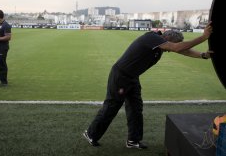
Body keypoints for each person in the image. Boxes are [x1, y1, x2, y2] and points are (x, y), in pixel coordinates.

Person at [83, 22, 213, 149]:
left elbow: (183, 51)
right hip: (120, 76)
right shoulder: (151, 38)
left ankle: (133, 141)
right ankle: (91, 134)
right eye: (173, 45)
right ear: (168, 38)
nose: (170, 51)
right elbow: (177, 48)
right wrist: (203, 37)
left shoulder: (161, 44)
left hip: (132, 77)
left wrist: (203, 55)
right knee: (112, 106)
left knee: (136, 108)